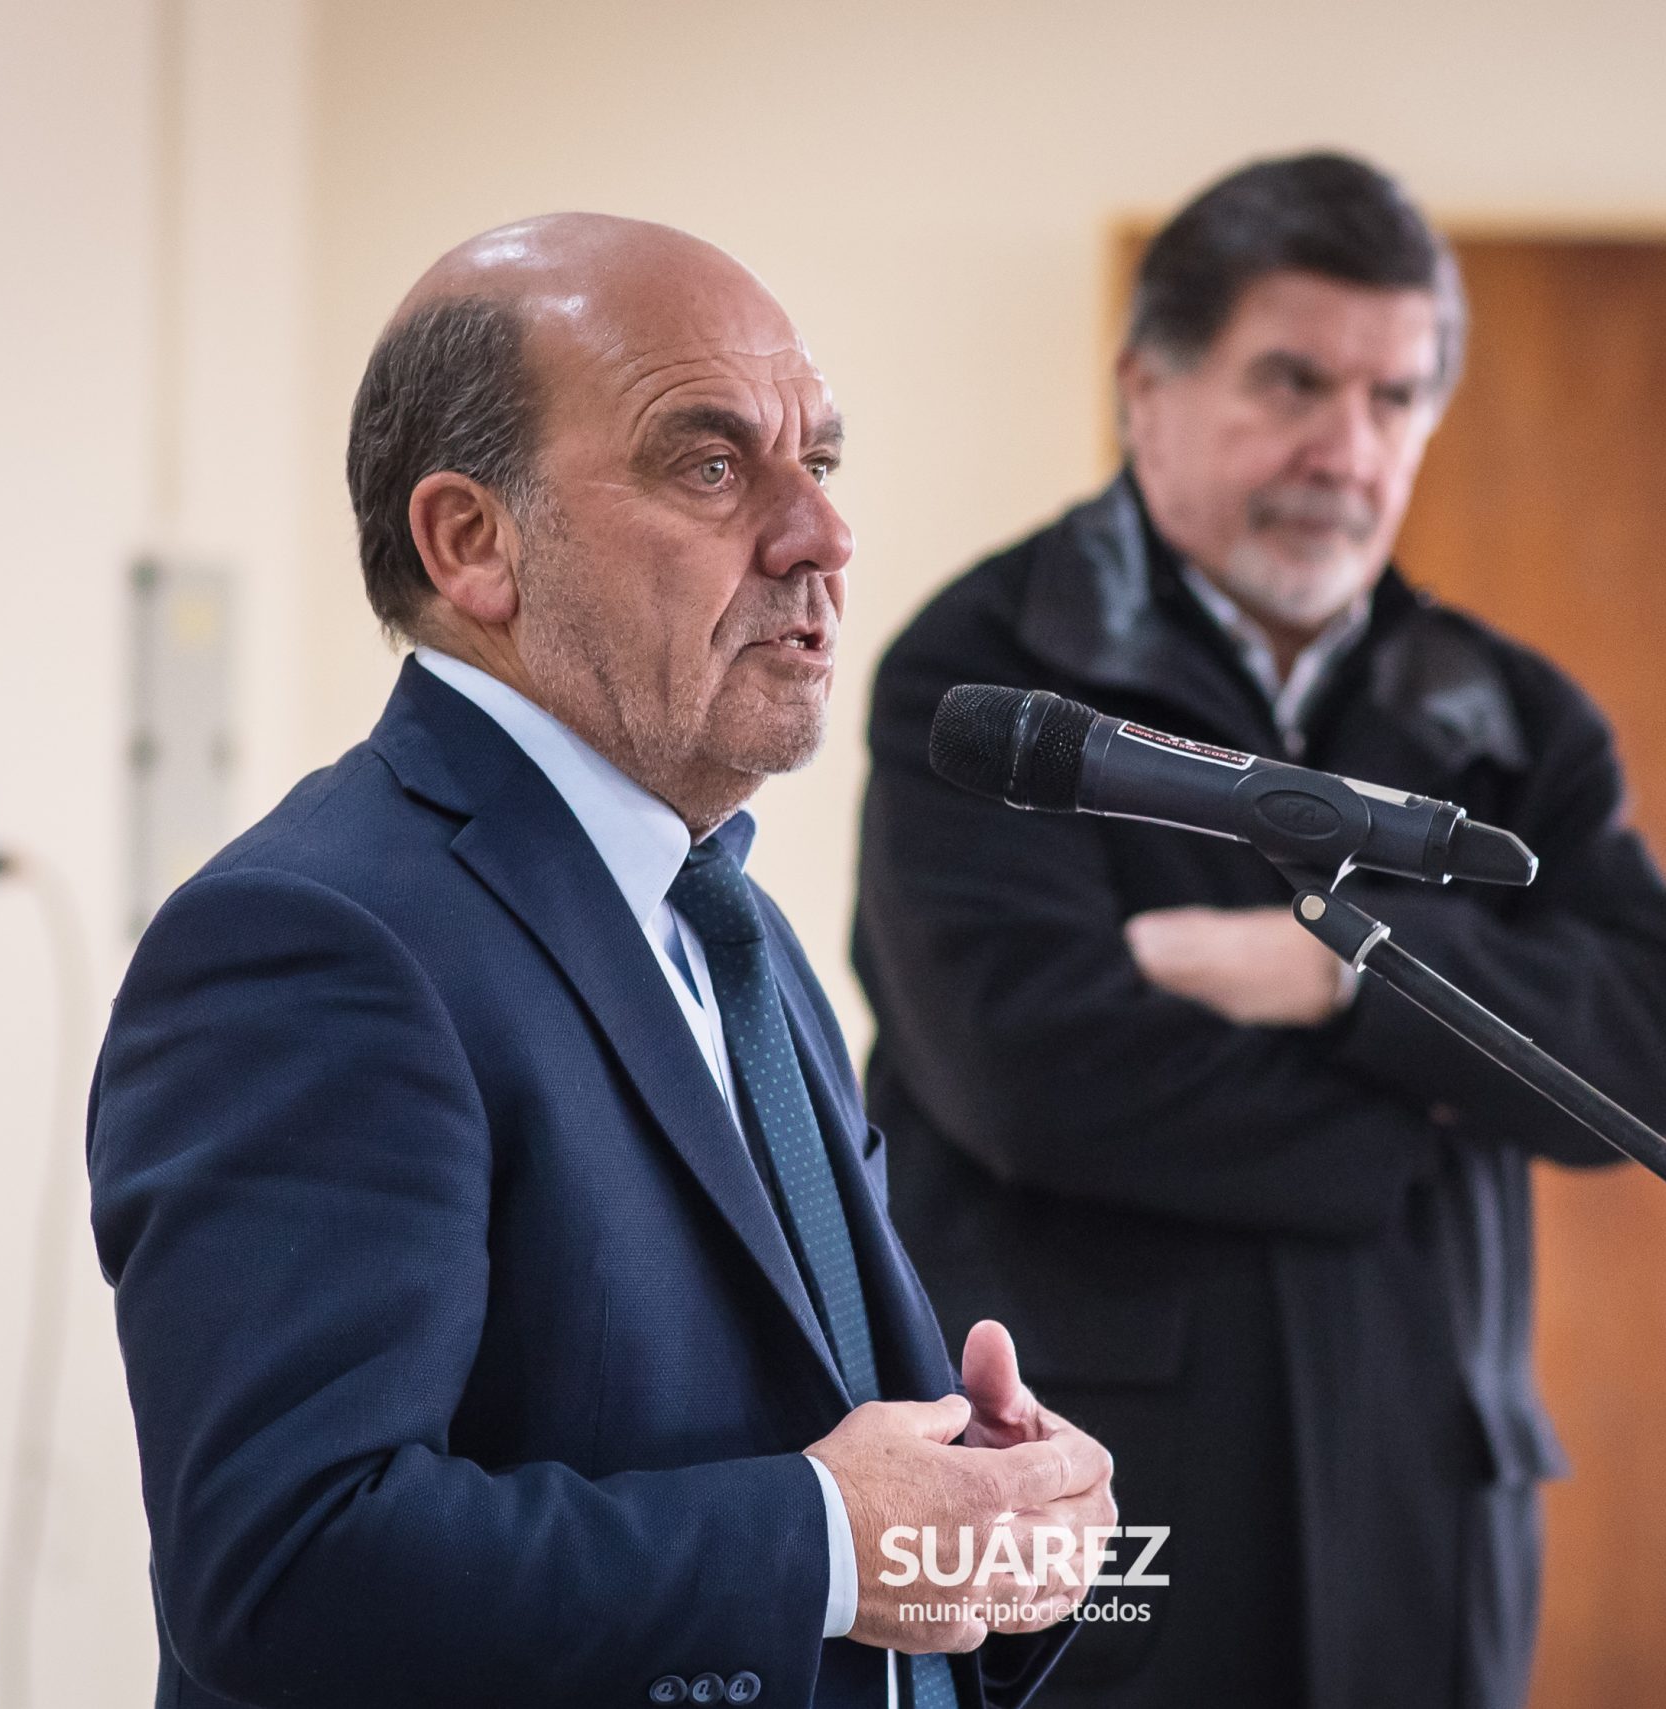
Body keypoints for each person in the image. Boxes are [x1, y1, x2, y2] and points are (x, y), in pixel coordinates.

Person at [87, 213, 1115, 1709]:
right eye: (712, 466)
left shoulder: (729, 923)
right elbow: (287, 1565)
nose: (821, 537)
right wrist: (827, 1539)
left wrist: (987, 1522)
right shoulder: (312, 940)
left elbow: (813, 1443)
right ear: (471, 542)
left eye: (819, 464)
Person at [852, 154, 1666, 1709]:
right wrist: (1431, 1120)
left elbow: (1659, 1038)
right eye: (1293, 382)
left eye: (1396, 397)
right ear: (1146, 387)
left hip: (1425, 1517)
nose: (1350, 448)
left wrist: (1336, 981)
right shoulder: (984, 675)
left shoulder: (1507, 710)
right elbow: (1030, 1069)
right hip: (1088, 1502)